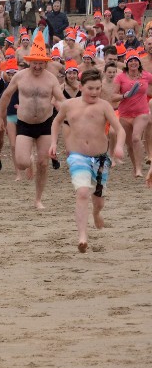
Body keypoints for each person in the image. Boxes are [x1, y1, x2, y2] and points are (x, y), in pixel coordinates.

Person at [49, 70, 125, 252]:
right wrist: (53, 143)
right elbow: (56, 122)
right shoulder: (68, 105)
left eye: (98, 88)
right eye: (90, 88)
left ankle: (96, 212)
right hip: (77, 156)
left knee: (98, 201)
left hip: (100, 158)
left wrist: (119, 147)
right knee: (82, 192)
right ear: (81, 87)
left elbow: (119, 129)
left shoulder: (104, 106)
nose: (95, 92)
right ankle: (82, 236)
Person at [0, 32, 60, 210]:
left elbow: (61, 100)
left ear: (45, 63)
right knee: (22, 162)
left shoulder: (51, 79)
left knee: (44, 163)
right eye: (35, 63)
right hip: (24, 123)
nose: (38, 67)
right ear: (29, 61)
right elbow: (5, 96)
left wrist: (69, 115)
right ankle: (29, 160)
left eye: (41, 63)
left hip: (45, 124)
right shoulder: (20, 76)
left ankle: (38, 199)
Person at [113, 51, 152, 178]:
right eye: (131, 61)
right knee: (129, 144)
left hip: (142, 112)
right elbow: (113, 96)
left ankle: (140, 169)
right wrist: (125, 95)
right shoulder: (120, 77)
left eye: (135, 60)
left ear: (139, 62)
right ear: (127, 63)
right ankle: (135, 167)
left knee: (136, 138)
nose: (133, 63)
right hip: (125, 113)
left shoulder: (146, 75)